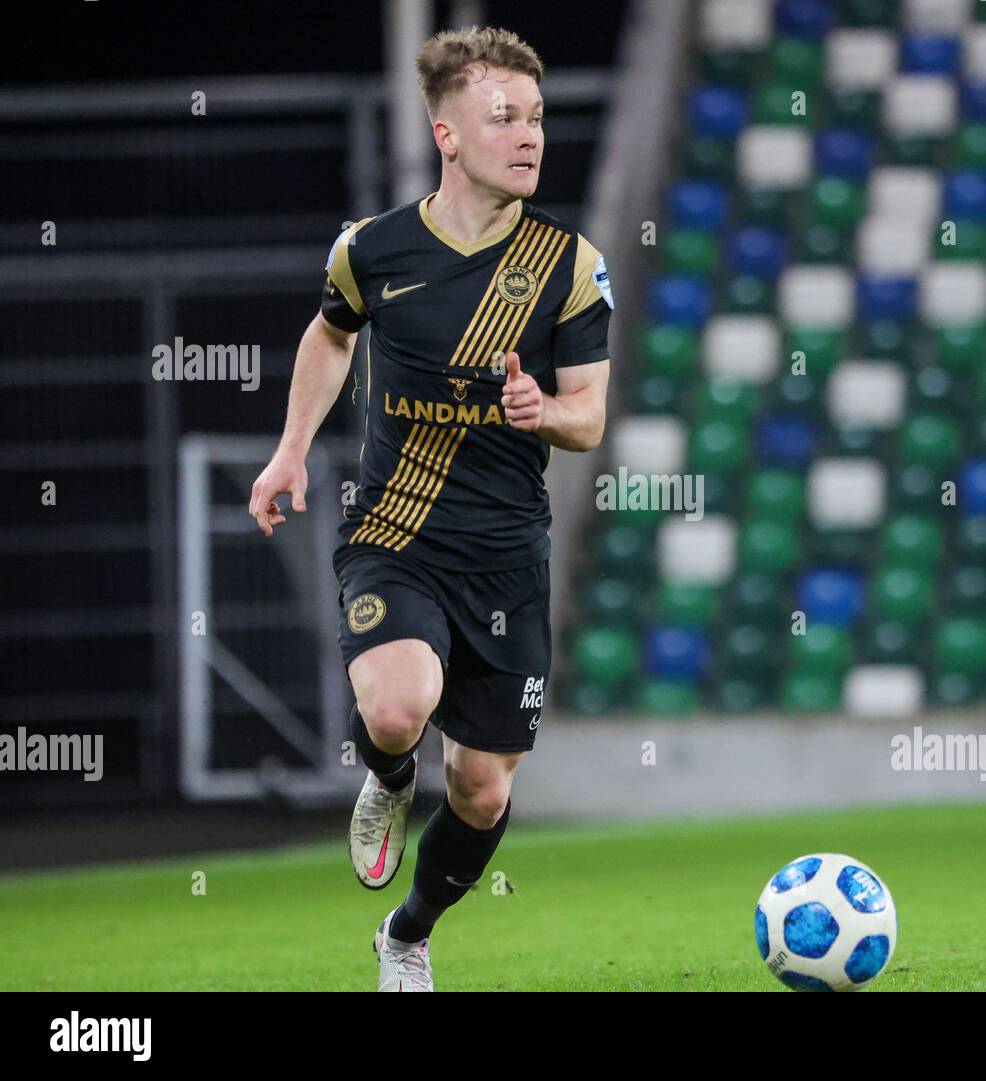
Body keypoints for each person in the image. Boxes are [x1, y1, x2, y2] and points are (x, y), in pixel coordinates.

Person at [247, 25, 613, 991]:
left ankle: (406, 935)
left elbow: (592, 416)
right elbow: (327, 338)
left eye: (537, 116)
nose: (529, 135)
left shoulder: (569, 265)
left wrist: (550, 410)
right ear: (447, 134)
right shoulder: (373, 249)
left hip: (505, 556)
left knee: (485, 791)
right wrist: (290, 450)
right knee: (400, 708)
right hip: (396, 534)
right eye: (505, 117)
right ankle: (387, 773)